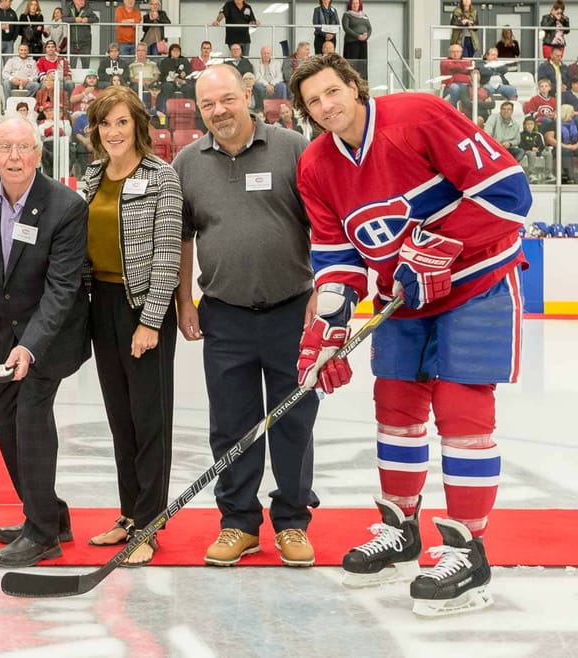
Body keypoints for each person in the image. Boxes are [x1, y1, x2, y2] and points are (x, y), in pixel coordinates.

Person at [289, 53, 530, 617]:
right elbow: (336, 258)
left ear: (355, 86)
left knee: (461, 409)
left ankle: (467, 552)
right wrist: (327, 328)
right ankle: (400, 529)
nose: (327, 107)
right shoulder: (316, 166)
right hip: (404, 297)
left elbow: (510, 193)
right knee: (395, 407)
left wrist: (442, 243)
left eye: (332, 92)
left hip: (477, 284)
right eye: (313, 102)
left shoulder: (418, 116)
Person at [172, 64, 318, 568]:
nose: (218, 111)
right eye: (208, 104)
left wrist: (322, 290)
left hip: (293, 312)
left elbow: (322, 222)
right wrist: (183, 300)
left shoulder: (293, 147)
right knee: (231, 425)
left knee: (294, 421)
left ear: (248, 94)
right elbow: (182, 236)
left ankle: (294, 523)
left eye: (227, 100)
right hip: (225, 317)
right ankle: (238, 523)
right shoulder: (188, 161)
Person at [0, 116, 89, 568]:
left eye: (24, 147)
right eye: (5, 147)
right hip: (3, 334)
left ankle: (42, 535)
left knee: (30, 420)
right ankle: (50, 513)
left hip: (49, 337)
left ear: (40, 154)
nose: (14, 157)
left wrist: (30, 345)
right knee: (3, 421)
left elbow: (63, 290)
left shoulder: (65, 206)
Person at [80, 85, 181, 567]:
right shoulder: (93, 175)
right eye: (105, 123)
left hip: (143, 308)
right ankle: (128, 515)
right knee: (120, 418)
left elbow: (167, 253)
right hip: (102, 306)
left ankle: (150, 523)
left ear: (137, 125)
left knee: (149, 420)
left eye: (121, 121)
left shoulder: (161, 177)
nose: (113, 131)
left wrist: (151, 319)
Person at [61, 0, 98, 69]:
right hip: (72, 42)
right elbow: (64, 19)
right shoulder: (68, 7)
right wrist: (74, 19)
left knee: (86, 66)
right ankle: (71, 79)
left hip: (85, 43)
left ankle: (86, 79)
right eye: (80, 0)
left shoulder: (87, 8)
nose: (83, 1)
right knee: (71, 66)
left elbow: (96, 19)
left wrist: (87, 20)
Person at [341, 0, 370, 78]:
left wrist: (366, 36)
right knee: (352, 66)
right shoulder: (347, 15)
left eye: (357, 3)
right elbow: (346, 28)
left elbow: (369, 28)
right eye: (353, 3)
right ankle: (351, 83)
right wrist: (358, 36)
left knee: (363, 65)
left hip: (363, 43)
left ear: (359, 4)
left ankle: (363, 85)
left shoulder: (364, 15)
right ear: (350, 5)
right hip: (351, 43)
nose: (355, 5)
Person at [519, 115, 551, 182]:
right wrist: (531, 148)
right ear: (524, 125)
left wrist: (538, 150)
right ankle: (532, 174)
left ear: (534, 125)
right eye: (528, 124)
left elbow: (542, 145)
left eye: (531, 124)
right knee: (532, 153)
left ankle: (548, 174)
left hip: (538, 151)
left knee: (548, 154)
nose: (529, 126)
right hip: (527, 151)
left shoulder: (538, 134)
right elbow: (521, 145)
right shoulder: (521, 134)